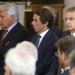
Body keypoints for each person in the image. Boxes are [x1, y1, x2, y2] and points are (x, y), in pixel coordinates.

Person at [0, 3, 30, 75]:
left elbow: (6, 51)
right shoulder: (1, 31)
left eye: (2, 17)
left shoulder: (22, 32)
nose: (0, 20)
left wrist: (3, 48)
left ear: (12, 18)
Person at [31, 8, 58, 75]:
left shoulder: (53, 40)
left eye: (35, 21)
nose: (32, 23)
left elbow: (46, 65)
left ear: (45, 23)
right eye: (33, 20)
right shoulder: (34, 38)